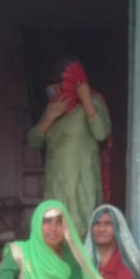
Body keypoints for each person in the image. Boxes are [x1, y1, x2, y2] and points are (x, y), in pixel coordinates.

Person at [26, 58, 110, 227]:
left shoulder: (94, 101)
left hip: (82, 186)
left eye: (61, 83)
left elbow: (102, 134)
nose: (56, 88)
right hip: (55, 186)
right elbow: (33, 141)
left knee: (80, 230)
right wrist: (49, 117)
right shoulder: (53, 107)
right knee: (55, 230)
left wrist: (86, 100)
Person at [84, 205, 140, 279]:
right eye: (97, 223)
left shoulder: (125, 261)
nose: (101, 229)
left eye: (108, 224)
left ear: (117, 227)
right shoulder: (85, 259)